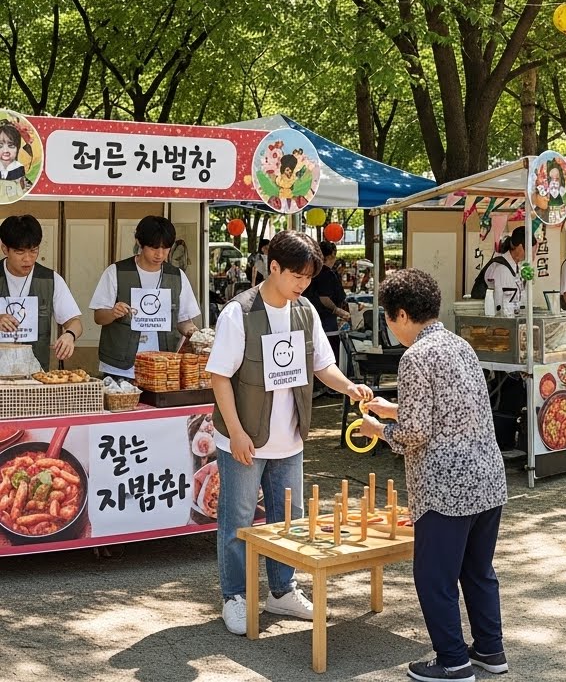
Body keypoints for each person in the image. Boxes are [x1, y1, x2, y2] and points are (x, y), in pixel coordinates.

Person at [209, 230, 373, 636]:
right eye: (296, 276)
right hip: (244, 436)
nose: (302, 285)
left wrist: (348, 387)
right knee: (239, 520)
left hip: (290, 438)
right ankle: (235, 596)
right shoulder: (239, 312)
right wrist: (236, 432)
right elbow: (219, 377)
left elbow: (323, 364)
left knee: (290, 519)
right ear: (274, 267)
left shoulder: (306, 311)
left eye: (308, 278)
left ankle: (282, 590)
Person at [356, 269, 509, 682]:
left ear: (402, 314)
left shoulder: (416, 356)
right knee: (477, 570)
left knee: (434, 577)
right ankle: (490, 650)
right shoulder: (459, 345)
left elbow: (415, 433)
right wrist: (392, 410)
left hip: (445, 486)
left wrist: (379, 429)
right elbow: (449, 410)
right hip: (487, 478)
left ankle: (453, 661)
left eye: (388, 318)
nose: (389, 327)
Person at [91, 215, 201, 380]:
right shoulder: (116, 272)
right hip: (121, 366)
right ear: (139, 242)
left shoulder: (176, 276)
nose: (160, 254)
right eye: (153, 247)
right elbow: (99, 317)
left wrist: (196, 335)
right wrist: (113, 313)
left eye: (165, 248)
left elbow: (183, 321)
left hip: (162, 365)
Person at [0, 214, 84, 368]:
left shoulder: (50, 280)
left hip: (36, 373)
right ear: (5, 249)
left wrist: (69, 335)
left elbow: (75, 323)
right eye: (20, 252)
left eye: (33, 251)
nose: (28, 259)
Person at [303, 240, 350, 396]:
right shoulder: (326, 274)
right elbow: (324, 298)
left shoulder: (312, 271)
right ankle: (330, 386)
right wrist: (338, 311)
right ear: (331, 255)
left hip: (313, 316)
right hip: (326, 320)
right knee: (329, 352)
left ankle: (320, 385)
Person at [477, 226, 528, 310]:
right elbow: (498, 304)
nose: (530, 254)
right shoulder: (500, 268)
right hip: (500, 318)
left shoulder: (516, 267)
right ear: (520, 247)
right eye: (529, 249)